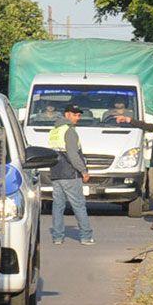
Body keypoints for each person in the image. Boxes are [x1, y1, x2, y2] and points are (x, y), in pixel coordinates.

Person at [48, 104, 94, 245]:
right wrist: (83, 171)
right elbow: (73, 155)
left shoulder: (54, 130)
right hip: (70, 174)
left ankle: (57, 237)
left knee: (58, 206)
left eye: (79, 115)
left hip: (56, 173)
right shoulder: (69, 131)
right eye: (75, 115)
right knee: (79, 205)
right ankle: (86, 236)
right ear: (67, 115)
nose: (77, 118)